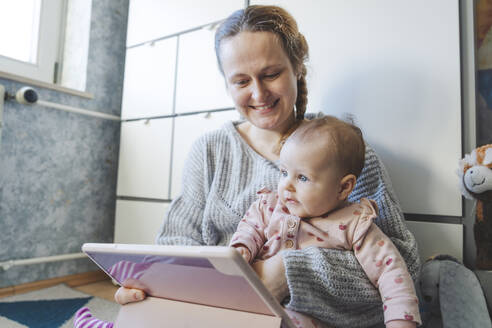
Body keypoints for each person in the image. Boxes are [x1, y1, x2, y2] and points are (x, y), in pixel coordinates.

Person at [75, 5, 421, 328]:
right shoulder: (209, 151)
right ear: (226, 84)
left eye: (270, 74)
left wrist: (285, 272)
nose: (258, 94)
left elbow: (404, 271)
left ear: (297, 68)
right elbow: (174, 246)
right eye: (241, 81)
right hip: (212, 310)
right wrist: (146, 284)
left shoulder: (342, 153)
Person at [230, 116, 421, 328]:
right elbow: (249, 229)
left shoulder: (355, 224)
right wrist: (241, 248)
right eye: (284, 172)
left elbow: (391, 272)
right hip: (259, 310)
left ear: (343, 188)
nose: (287, 186)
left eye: (302, 178)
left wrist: (400, 321)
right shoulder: (271, 206)